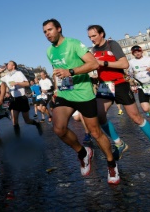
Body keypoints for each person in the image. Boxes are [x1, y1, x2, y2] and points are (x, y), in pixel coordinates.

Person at [42, 19, 119, 184]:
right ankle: (83, 153)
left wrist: (71, 71)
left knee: (95, 132)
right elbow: (57, 73)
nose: (47, 34)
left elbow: (93, 64)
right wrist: (56, 90)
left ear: (59, 28)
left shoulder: (74, 44)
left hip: (83, 94)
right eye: (45, 32)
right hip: (65, 94)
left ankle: (111, 163)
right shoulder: (49, 51)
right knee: (58, 129)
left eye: (50, 30)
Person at [88, 25, 150, 162]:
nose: (91, 39)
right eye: (89, 37)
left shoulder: (112, 44)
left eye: (94, 36)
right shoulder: (93, 50)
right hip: (105, 86)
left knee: (136, 117)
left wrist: (103, 62)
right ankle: (119, 143)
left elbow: (124, 64)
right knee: (99, 116)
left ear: (101, 34)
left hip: (120, 84)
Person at [0, 61, 43, 137]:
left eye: (8, 64)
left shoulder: (19, 73)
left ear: (13, 66)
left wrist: (17, 83)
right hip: (14, 100)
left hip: (22, 98)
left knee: (27, 120)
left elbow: (27, 83)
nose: (7, 66)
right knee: (14, 121)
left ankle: (37, 124)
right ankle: (18, 139)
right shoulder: (7, 76)